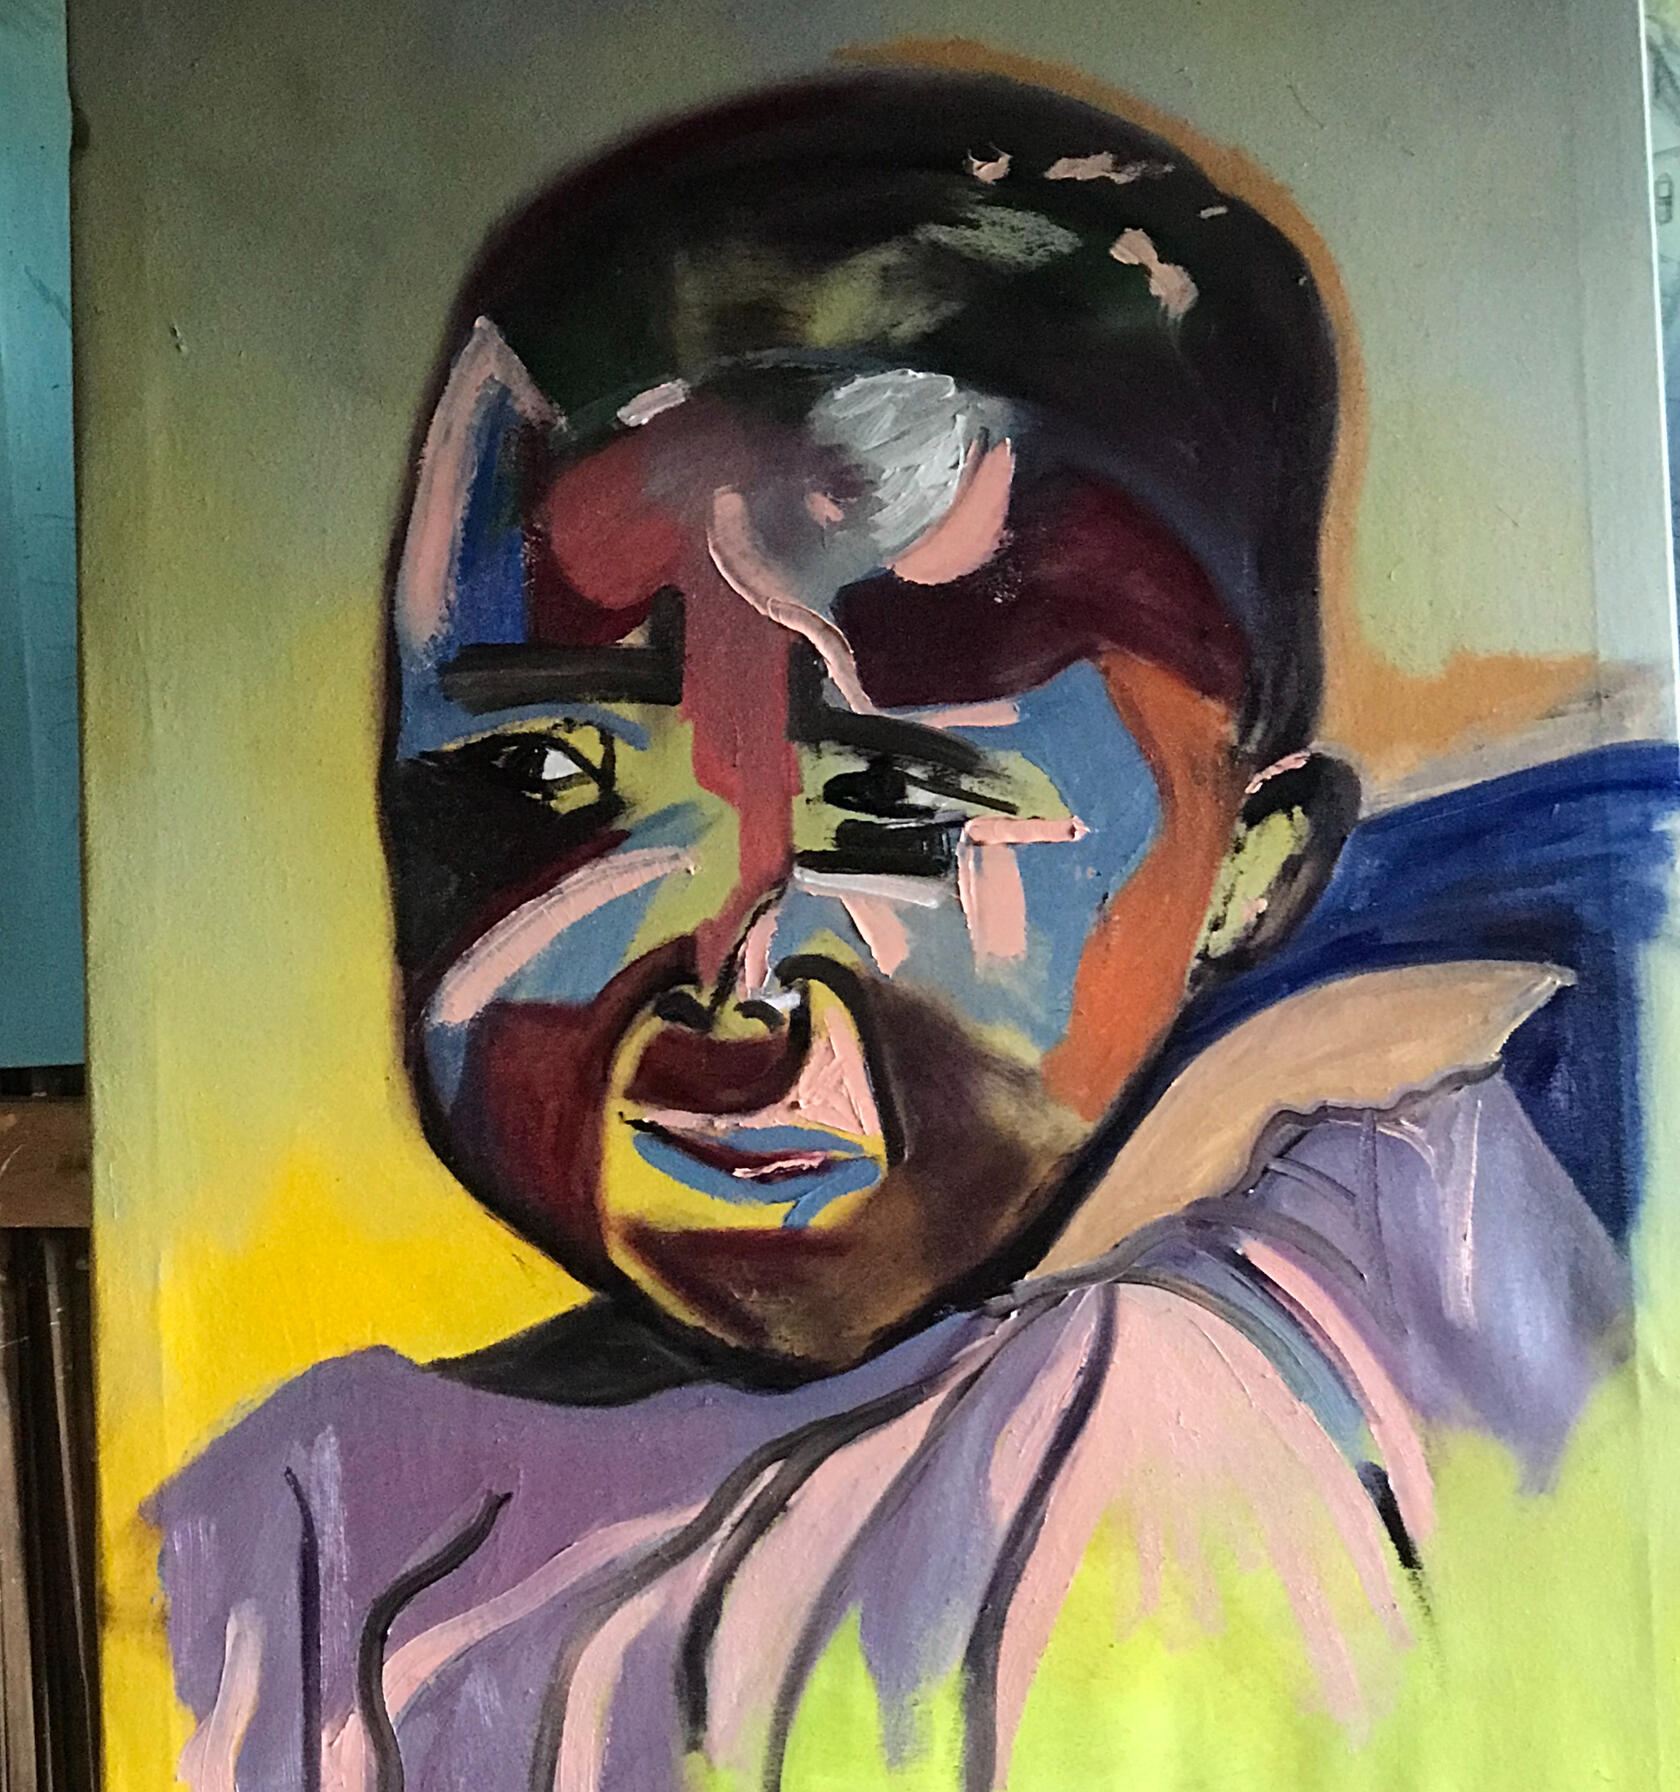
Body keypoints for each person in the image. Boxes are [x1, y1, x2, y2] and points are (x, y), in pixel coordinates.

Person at [150, 70, 1644, 1792]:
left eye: (904, 808)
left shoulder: (1331, 1328)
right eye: (546, 778)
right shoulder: (294, 1549)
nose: (731, 974)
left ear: (1255, 871)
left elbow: (1624, 856)